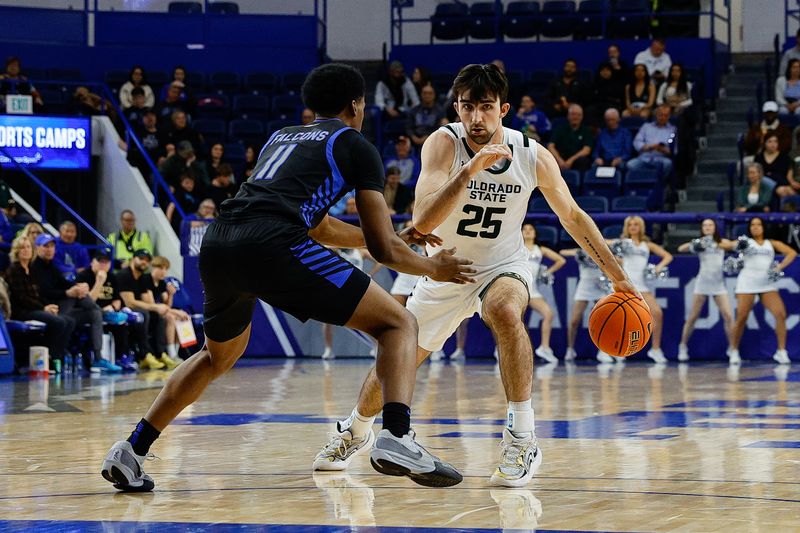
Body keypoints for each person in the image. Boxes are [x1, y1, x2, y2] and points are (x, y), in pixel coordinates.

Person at [101, 63, 476, 492]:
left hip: (220, 240)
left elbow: (318, 227)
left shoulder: (281, 137)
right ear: (357, 105)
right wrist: (433, 267)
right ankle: (396, 435)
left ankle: (132, 449)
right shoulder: (355, 144)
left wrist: (393, 237)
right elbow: (382, 250)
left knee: (216, 356)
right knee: (399, 323)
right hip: (273, 244)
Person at [313, 63, 639, 488]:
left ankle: (522, 438)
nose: (476, 118)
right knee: (397, 359)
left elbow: (574, 217)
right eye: (467, 108)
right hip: (445, 269)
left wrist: (619, 277)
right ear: (456, 107)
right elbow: (421, 221)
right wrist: (469, 171)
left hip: (503, 264)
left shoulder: (532, 154)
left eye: (486, 108)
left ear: (504, 109)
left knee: (504, 310)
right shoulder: (442, 144)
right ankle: (355, 431)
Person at [31, 233, 113, 373]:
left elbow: (65, 283)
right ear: (37, 248)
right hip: (52, 307)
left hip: (66, 308)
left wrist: (77, 287)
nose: (49, 249)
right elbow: (45, 292)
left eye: (52, 246)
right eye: (45, 246)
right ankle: (104, 313)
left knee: (94, 313)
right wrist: (69, 292)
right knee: (77, 298)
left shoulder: (52, 266)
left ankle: (98, 358)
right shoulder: (35, 268)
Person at [729, 217, 797, 364]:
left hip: (766, 283)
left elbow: (791, 253)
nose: (755, 227)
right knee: (741, 317)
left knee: (780, 314)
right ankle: (733, 350)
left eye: (758, 224)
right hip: (747, 282)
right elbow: (729, 245)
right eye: (752, 225)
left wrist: (779, 267)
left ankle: (781, 351)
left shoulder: (771, 243)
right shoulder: (746, 242)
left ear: (764, 227)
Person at [5, 236, 72, 367]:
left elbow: (38, 294)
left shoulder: (31, 269)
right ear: (16, 251)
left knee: (68, 321)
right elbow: (22, 298)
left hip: (35, 308)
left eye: (28, 247)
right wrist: (43, 308)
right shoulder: (13, 270)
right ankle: (45, 357)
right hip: (22, 311)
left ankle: (54, 357)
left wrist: (48, 306)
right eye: (22, 247)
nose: (26, 250)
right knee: (58, 322)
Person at [614, 216, 672, 364]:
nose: (633, 227)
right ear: (626, 228)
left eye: (636, 225)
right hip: (626, 285)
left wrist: (658, 267)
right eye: (630, 225)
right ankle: (617, 350)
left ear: (641, 227)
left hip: (642, 286)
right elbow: (607, 247)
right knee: (621, 318)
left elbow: (667, 256)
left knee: (657, 313)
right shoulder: (623, 243)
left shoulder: (647, 244)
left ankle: (655, 349)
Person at [676, 219, 735, 362]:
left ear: (715, 228)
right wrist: (698, 244)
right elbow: (680, 249)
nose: (708, 227)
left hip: (718, 284)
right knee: (693, 317)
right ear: (702, 228)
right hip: (702, 283)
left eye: (710, 225)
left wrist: (716, 244)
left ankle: (733, 349)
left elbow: (732, 245)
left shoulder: (721, 241)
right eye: (705, 225)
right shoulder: (700, 243)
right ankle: (683, 346)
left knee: (728, 316)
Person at [77, 249, 140, 372]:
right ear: (92, 262)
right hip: (88, 312)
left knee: (122, 321)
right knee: (100, 314)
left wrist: (114, 306)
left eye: (106, 262)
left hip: (109, 312)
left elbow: (117, 300)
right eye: (100, 261)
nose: (103, 265)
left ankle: (122, 357)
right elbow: (88, 302)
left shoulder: (112, 277)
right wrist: (99, 282)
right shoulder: (84, 276)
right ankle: (97, 358)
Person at [115, 249, 175, 371]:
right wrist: (156, 307)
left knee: (157, 316)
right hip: (121, 310)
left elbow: (147, 301)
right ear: (133, 259)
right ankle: (144, 355)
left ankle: (160, 354)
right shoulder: (124, 275)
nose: (144, 262)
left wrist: (158, 307)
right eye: (141, 259)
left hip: (137, 309)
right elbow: (129, 302)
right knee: (144, 315)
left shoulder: (141, 278)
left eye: (147, 260)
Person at [559, 247, 613, 362]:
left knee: (604, 320)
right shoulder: (582, 249)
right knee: (574, 320)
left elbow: (617, 259)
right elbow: (563, 251)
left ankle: (603, 351)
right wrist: (580, 252)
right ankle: (570, 349)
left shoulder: (602, 249)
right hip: (584, 286)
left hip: (600, 285)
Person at [522, 224, 564, 364]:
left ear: (535, 233)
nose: (528, 231)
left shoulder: (540, 249)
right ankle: (509, 350)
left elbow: (561, 260)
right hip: (519, 289)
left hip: (533, 290)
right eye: (525, 229)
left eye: (531, 229)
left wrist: (547, 273)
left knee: (548, 314)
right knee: (516, 321)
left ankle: (544, 348)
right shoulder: (515, 248)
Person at [145, 256, 189, 365]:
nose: (163, 272)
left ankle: (177, 353)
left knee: (181, 318)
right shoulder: (147, 280)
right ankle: (171, 354)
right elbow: (153, 305)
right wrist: (176, 311)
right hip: (149, 311)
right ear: (153, 267)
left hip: (160, 311)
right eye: (160, 268)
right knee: (171, 317)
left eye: (165, 269)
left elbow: (167, 305)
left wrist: (171, 294)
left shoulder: (162, 283)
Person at [627, 104, 677, 179]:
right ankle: (642, 185)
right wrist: (648, 147)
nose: (663, 118)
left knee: (668, 164)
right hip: (644, 157)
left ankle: (660, 185)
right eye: (660, 115)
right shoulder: (646, 127)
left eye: (665, 115)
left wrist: (664, 150)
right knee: (630, 165)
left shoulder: (673, 130)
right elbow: (637, 142)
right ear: (656, 115)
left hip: (661, 158)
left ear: (669, 116)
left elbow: (674, 148)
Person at [547, 104, 594, 171]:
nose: (575, 117)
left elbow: (586, 150)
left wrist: (571, 160)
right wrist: (559, 160)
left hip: (576, 160)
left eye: (578, 115)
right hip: (560, 159)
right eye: (573, 114)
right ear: (568, 116)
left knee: (583, 160)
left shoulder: (586, 131)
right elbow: (550, 146)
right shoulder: (560, 129)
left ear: (582, 117)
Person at [754, 132, 797, 199]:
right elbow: (756, 175)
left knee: (788, 190)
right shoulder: (758, 157)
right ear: (764, 143)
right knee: (781, 190)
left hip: (781, 183)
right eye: (770, 141)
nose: (773, 144)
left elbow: (789, 174)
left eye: (775, 141)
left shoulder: (784, 157)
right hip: (765, 183)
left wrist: (792, 182)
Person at [405, 84, 446, 150]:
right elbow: (408, 127)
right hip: (414, 141)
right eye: (425, 93)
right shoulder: (414, 110)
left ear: (434, 95)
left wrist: (428, 137)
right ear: (421, 95)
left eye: (430, 93)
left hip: (433, 142)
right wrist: (413, 137)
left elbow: (440, 129)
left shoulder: (440, 111)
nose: (427, 95)